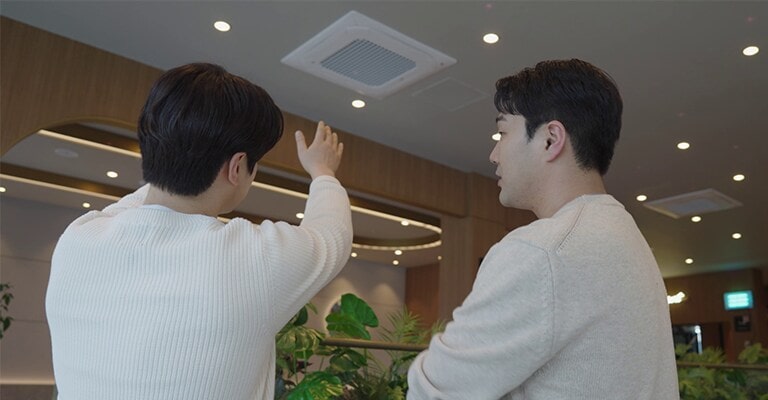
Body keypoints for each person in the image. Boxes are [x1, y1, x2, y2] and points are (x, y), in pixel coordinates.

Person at [46, 63, 353, 400]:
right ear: (237, 167)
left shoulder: (79, 237)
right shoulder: (253, 260)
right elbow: (331, 234)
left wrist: (170, 148)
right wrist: (322, 170)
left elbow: (145, 200)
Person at [407, 59, 679, 399]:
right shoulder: (627, 238)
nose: (493, 154)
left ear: (551, 139)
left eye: (502, 133)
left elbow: (435, 391)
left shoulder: (543, 250)